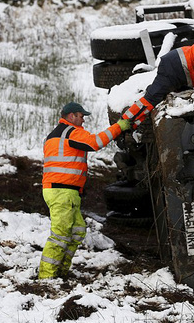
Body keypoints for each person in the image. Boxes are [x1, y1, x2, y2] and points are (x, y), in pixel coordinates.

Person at [38, 102, 131, 279]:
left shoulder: (55, 135)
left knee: (77, 230)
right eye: (81, 116)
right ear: (72, 116)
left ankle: (61, 271)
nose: (83, 120)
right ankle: (46, 277)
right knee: (60, 235)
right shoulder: (71, 132)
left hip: (64, 191)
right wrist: (118, 127)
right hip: (62, 192)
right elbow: (96, 142)